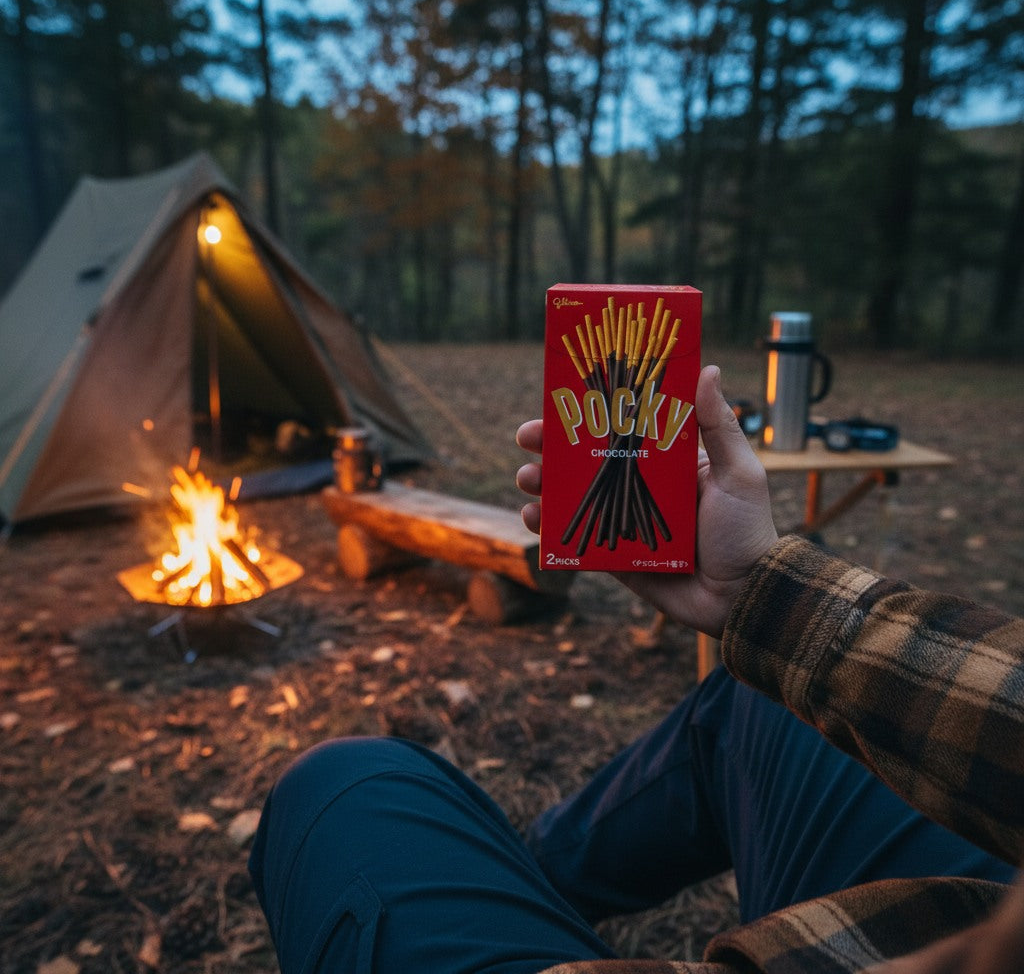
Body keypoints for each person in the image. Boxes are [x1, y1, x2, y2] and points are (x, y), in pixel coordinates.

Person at [248, 364, 1024, 974]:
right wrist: (758, 587)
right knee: (753, 697)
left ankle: (514, 891)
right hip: (980, 899)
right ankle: (535, 878)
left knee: (341, 782)